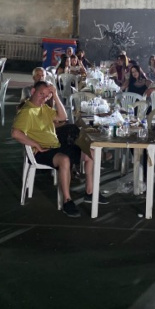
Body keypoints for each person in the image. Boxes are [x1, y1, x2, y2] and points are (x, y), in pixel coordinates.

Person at [12, 80, 100, 218]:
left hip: (56, 146)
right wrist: (35, 144)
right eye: (41, 94)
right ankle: (67, 201)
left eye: (46, 96)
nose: (43, 98)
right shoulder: (27, 112)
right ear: (33, 91)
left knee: (91, 153)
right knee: (65, 159)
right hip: (42, 151)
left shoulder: (43, 108)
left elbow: (63, 117)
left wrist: (56, 95)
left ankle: (90, 192)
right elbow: (15, 133)